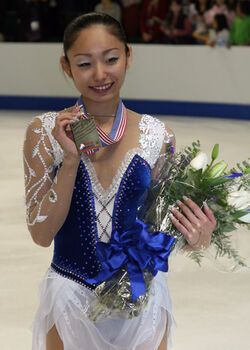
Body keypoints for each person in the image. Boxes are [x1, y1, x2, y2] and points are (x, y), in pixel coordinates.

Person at [23, 12, 216, 350]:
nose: (99, 74)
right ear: (66, 67)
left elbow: (161, 229)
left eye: (111, 59)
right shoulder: (45, 133)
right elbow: (41, 235)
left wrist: (197, 236)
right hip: (70, 298)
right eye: (84, 64)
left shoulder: (158, 136)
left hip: (142, 302)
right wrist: (70, 160)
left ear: (128, 56)